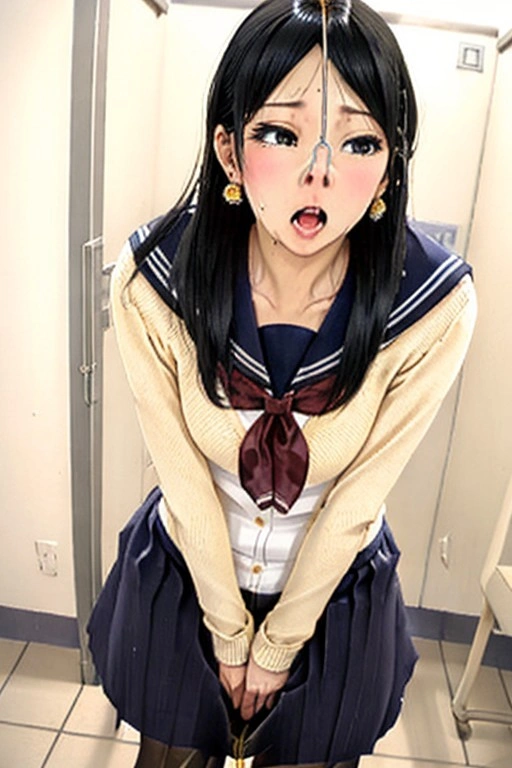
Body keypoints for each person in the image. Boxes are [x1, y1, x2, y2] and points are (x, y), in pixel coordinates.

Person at [87, 0, 476, 766]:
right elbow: (182, 475)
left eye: (360, 141)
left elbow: (358, 498)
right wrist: (229, 635)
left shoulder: (433, 303)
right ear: (228, 151)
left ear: (390, 165)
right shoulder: (155, 277)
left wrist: (276, 648)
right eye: (279, 133)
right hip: (186, 572)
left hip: (333, 595)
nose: (319, 172)